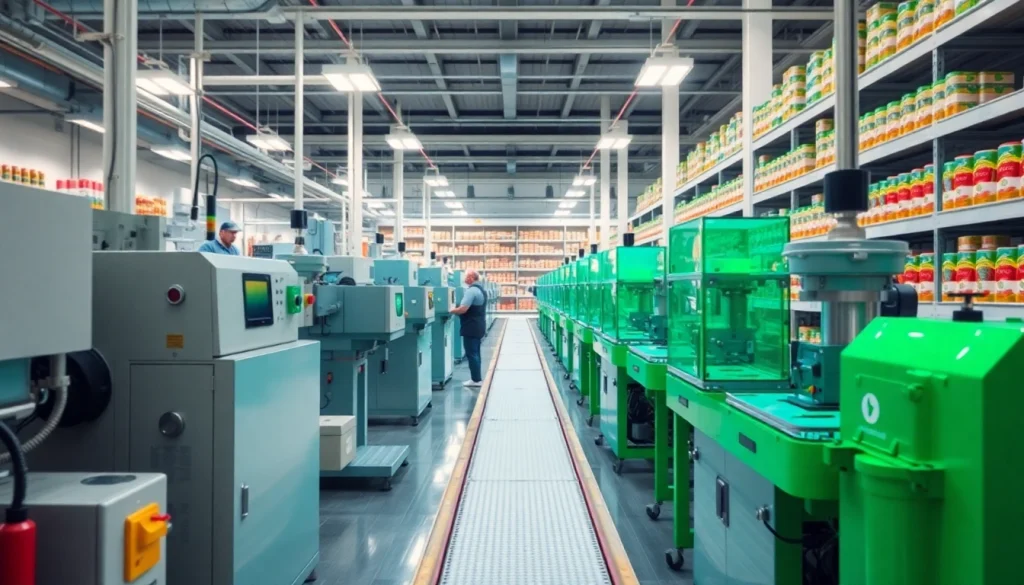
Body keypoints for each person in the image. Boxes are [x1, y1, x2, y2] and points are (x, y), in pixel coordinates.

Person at [450, 269, 487, 388]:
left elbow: (463, 309)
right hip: (479, 325)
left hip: (471, 326)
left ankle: (476, 380)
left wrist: (450, 310)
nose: (464, 279)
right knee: (476, 353)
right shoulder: (481, 290)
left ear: (471, 278)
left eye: (466, 277)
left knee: (472, 354)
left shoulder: (471, 291)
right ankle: (477, 378)